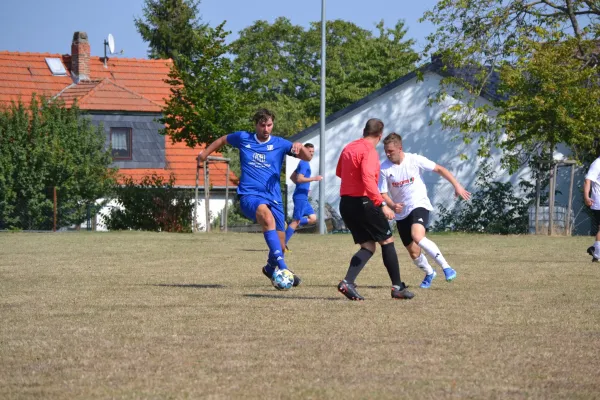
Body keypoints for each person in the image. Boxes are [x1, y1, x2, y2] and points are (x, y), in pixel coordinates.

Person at [197, 108, 313, 286]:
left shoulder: (280, 144)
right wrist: (204, 154)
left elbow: (307, 157)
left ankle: (269, 268)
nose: (266, 129)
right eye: (262, 125)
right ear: (256, 124)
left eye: (269, 125)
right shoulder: (244, 138)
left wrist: (300, 146)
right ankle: (283, 268)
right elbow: (223, 139)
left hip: (273, 197)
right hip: (250, 195)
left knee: (281, 246)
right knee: (266, 217)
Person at [378, 133, 471, 289]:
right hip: (401, 213)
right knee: (414, 253)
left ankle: (447, 267)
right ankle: (429, 272)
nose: (388, 154)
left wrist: (457, 185)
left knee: (417, 236)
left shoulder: (415, 160)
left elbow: (440, 169)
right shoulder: (384, 168)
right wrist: (392, 205)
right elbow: (382, 193)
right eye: (386, 151)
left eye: (391, 151)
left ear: (400, 148)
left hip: (418, 204)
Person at [335, 118, 414, 301]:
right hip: (364, 202)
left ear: (364, 131)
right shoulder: (369, 151)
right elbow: (368, 179)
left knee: (368, 246)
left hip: (346, 203)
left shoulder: (348, 148)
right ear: (380, 135)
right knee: (387, 241)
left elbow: (339, 172)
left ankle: (348, 282)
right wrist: (382, 204)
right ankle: (397, 288)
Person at [285, 143, 323, 250]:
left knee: (313, 218)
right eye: (309, 152)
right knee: (296, 221)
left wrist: (304, 187)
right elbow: (299, 178)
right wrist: (314, 178)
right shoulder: (304, 163)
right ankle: (282, 244)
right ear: (304, 151)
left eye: (312, 152)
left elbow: (293, 177)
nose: (311, 154)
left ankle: (288, 224)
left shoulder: (304, 163)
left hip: (303, 195)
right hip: (300, 196)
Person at [584, 156, 600, 262]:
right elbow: (587, 180)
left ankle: (595, 250)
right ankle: (596, 252)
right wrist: (586, 196)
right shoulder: (597, 163)